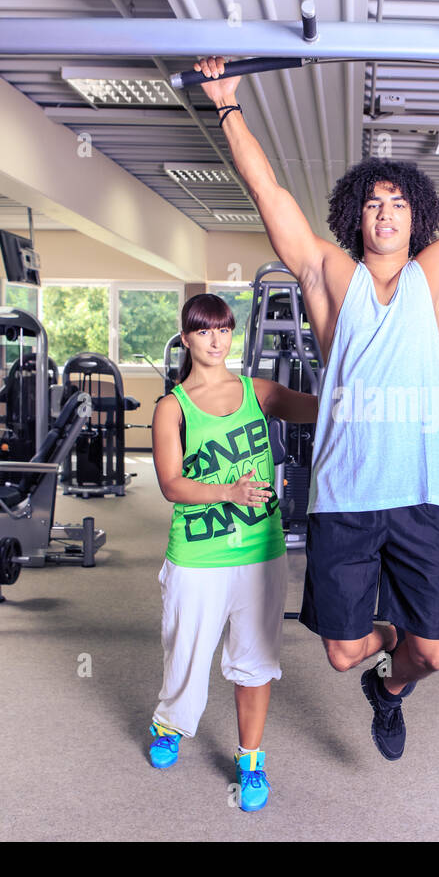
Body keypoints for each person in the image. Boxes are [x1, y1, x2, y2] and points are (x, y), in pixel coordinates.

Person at [197, 56, 439, 760]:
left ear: (417, 215)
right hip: (344, 496)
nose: (385, 214)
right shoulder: (329, 274)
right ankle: (377, 656)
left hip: (420, 495)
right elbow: (269, 193)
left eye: (398, 204)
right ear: (356, 214)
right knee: (344, 652)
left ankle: (392, 687)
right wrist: (227, 105)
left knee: (432, 653)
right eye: (373, 204)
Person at [149, 292, 317, 811]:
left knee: (256, 660)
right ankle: (170, 723)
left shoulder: (257, 392)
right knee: (186, 658)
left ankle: (251, 760)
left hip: (260, 554)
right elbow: (171, 485)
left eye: (223, 329)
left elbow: (320, 408)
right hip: (198, 555)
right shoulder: (171, 407)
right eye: (204, 330)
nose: (216, 339)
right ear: (187, 338)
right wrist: (228, 491)